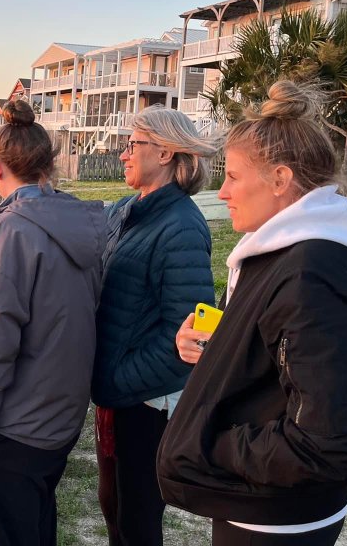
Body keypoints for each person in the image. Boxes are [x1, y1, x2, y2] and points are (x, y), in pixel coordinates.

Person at [158, 81, 347, 546]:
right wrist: (214, 350)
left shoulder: (309, 275)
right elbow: (274, 358)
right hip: (261, 499)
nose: (221, 192)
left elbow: (328, 443)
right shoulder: (278, 254)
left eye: (234, 177)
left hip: (276, 518)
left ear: (280, 180)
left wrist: (209, 441)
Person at [0, 99, 105, 546]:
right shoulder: (80, 225)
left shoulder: (10, 232)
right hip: (57, 421)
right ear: (48, 166)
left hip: (11, 430)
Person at [92, 105, 218, 546]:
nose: (123, 154)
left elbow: (188, 338)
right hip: (117, 396)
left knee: (137, 522)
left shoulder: (182, 227)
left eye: (133, 144)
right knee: (113, 507)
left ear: (165, 153)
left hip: (147, 405)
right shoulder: (127, 210)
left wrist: (118, 378)